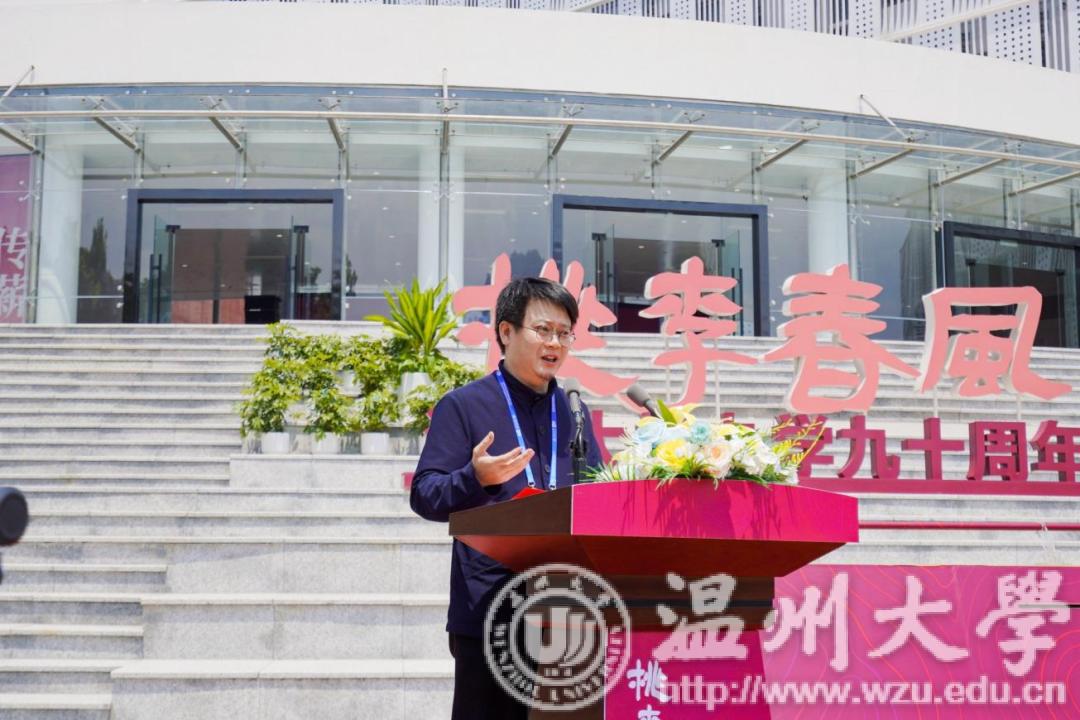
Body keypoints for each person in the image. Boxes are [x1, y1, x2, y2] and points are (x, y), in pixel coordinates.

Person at [410, 277, 603, 720]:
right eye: (543, 330)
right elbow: (425, 495)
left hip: (567, 607)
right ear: (506, 332)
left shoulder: (573, 411)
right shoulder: (464, 406)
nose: (555, 343)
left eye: (564, 333)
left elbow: (597, 489)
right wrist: (474, 478)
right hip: (491, 610)